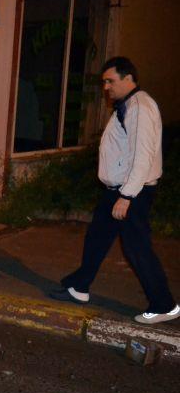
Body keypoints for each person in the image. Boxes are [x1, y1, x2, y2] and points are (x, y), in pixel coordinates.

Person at [51, 57, 179, 324]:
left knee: (136, 248)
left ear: (128, 78)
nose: (106, 87)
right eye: (104, 82)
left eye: (110, 81)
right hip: (118, 189)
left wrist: (127, 196)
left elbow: (142, 156)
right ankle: (80, 287)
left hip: (133, 191)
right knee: (98, 236)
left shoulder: (140, 107)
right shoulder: (127, 105)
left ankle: (164, 304)